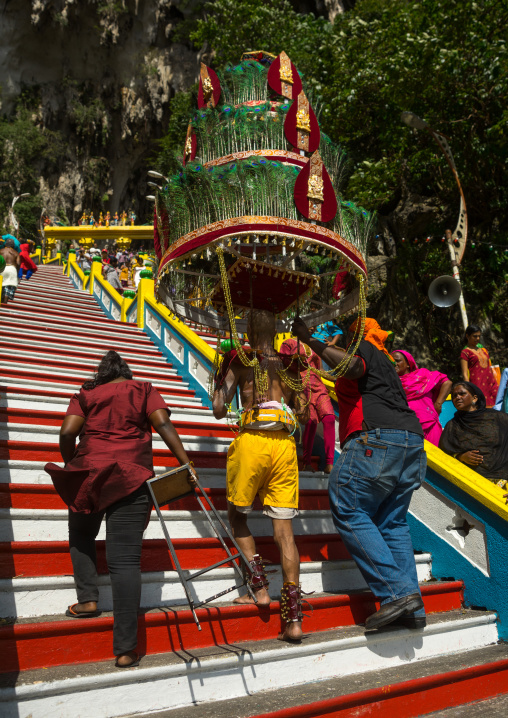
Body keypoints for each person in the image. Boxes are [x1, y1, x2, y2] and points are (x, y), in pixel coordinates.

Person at [44, 351, 197, 668]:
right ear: (125, 372)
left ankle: (87, 600)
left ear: (102, 373)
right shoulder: (143, 389)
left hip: (88, 473)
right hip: (131, 475)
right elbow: (163, 423)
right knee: (125, 561)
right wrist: (186, 463)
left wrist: (70, 462)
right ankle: (127, 649)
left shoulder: (87, 392)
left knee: (81, 533)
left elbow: (66, 432)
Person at [292, 315, 427, 630]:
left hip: (376, 439)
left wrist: (311, 340)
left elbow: (351, 367)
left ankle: (396, 593)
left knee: (349, 508)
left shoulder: (365, 347)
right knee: (392, 524)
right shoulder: (387, 363)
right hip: (410, 444)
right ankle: (412, 607)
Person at [212, 310, 309, 642]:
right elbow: (304, 413)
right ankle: (294, 621)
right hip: (284, 446)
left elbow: (219, 408)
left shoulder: (240, 363)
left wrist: (219, 377)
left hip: (252, 440)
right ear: (279, 330)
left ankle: (260, 589)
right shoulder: (290, 367)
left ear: (249, 330)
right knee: (284, 533)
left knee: (237, 514)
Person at [279, 337, 336, 473]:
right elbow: (283, 364)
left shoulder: (314, 344)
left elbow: (320, 369)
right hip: (301, 386)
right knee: (311, 424)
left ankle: (330, 463)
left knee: (330, 419)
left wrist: (337, 378)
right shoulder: (290, 343)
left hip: (319, 387)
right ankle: (307, 462)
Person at [439, 381, 508, 488]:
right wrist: (460, 456)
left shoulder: (498, 418)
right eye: (454, 396)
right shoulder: (452, 426)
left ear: (474, 398)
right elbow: (443, 455)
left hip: (502, 482)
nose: (457, 397)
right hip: (469, 484)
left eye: (462, 394)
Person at [393, 350, 452, 446]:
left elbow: (447, 382)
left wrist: (438, 403)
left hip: (430, 426)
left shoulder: (422, 375)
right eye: (391, 361)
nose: (394, 364)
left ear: (408, 364)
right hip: (406, 429)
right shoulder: (391, 382)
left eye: (397, 360)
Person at [460, 325, 499, 408]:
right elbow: (464, 374)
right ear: (467, 336)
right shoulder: (465, 352)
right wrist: (469, 389)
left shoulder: (484, 350)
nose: (477, 338)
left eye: (479, 336)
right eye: (475, 336)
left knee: (496, 407)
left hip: (491, 383)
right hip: (477, 385)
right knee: (481, 408)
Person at [0, 239, 21, 303]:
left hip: (2, 269)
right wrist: (17, 275)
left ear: (5, 244)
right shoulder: (16, 253)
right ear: (13, 245)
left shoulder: (1, 251)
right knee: (8, 289)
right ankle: (5, 304)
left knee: (1, 286)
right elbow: (18, 263)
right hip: (12, 269)